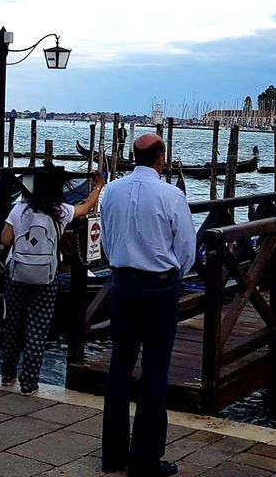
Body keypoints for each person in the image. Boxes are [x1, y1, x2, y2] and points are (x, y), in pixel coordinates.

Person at [100, 133, 197, 477]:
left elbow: (107, 242)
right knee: (155, 372)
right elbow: (187, 250)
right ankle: (145, 459)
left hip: (122, 285)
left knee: (119, 368)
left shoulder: (111, 190)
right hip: (158, 290)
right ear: (161, 159)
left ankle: (112, 455)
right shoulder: (172, 196)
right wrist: (171, 275)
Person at [0, 169, 102, 395]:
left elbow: (5, 239)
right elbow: (86, 207)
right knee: (38, 329)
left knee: (13, 325)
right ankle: (29, 383)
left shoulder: (19, 210)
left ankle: (8, 375)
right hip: (46, 277)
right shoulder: (62, 211)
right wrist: (98, 186)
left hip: (16, 274)